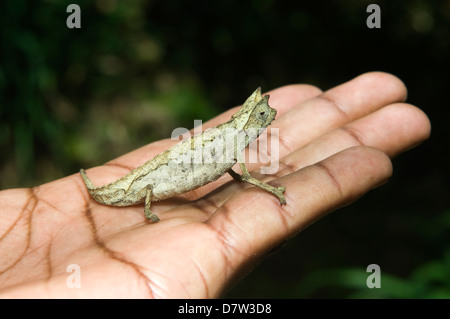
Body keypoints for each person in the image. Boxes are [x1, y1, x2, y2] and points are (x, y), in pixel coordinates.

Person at [0, 72, 431, 298]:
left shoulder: (235, 138)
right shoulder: (233, 141)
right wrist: (270, 187)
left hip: (183, 165)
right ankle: (144, 199)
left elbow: (230, 167)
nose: (268, 121)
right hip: (158, 179)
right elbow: (235, 170)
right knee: (146, 183)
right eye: (261, 118)